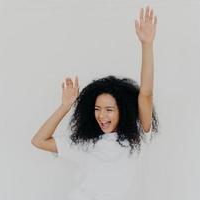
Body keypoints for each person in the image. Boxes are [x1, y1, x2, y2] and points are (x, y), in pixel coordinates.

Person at [31, 5, 159, 200]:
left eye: (109, 109)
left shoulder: (137, 136)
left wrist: (147, 45)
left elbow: (146, 94)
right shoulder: (85, 143)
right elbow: (39, 141)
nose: (101, 115)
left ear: (122, 111)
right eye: (97, 109)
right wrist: (65, 106)